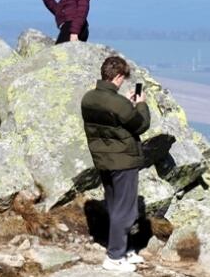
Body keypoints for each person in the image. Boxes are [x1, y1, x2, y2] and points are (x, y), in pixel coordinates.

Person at [80, 56, 150, 273]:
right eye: (122, 78)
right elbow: (141, 125)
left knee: (114, 206)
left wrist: (126, 105)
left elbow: (112, 124)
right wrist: (140, 104)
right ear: (118, 76)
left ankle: (126, 249)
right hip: (123, 160)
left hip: (103, 159)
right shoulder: (117, 103)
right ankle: (114, 257)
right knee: (126, 210)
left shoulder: (88, 98)